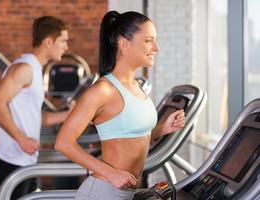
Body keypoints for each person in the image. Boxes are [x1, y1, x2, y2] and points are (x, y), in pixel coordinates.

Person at [55, 11, 185, 200]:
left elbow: (128, 137)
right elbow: (63, 143)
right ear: (124, 44)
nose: (156, 48)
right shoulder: (102, 90)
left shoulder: (136, 87)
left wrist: (162, 129)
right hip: (102, 192)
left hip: (125, 193)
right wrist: (109, 173)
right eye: (148, 40)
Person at [0, 16, 71, 200]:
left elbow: (38, 117)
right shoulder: (25, 68)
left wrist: (72, 113)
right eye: (63, 41)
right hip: (12, 160)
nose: (66, 47)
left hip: (25, 160)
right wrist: (21, 139)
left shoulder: (35, 69)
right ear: (49, 42)